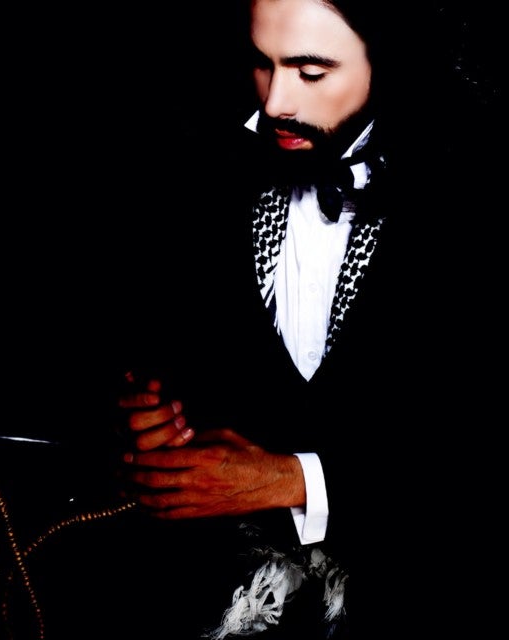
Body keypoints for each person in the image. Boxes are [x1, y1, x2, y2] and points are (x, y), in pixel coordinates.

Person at [109, 1, 503, 639]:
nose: (275, 102)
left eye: (311, 72)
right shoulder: (198, 173)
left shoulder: (476, 193)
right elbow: (140, 345)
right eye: (262, 65)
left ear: (390, 62)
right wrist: (146, 417)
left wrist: (294, 481)